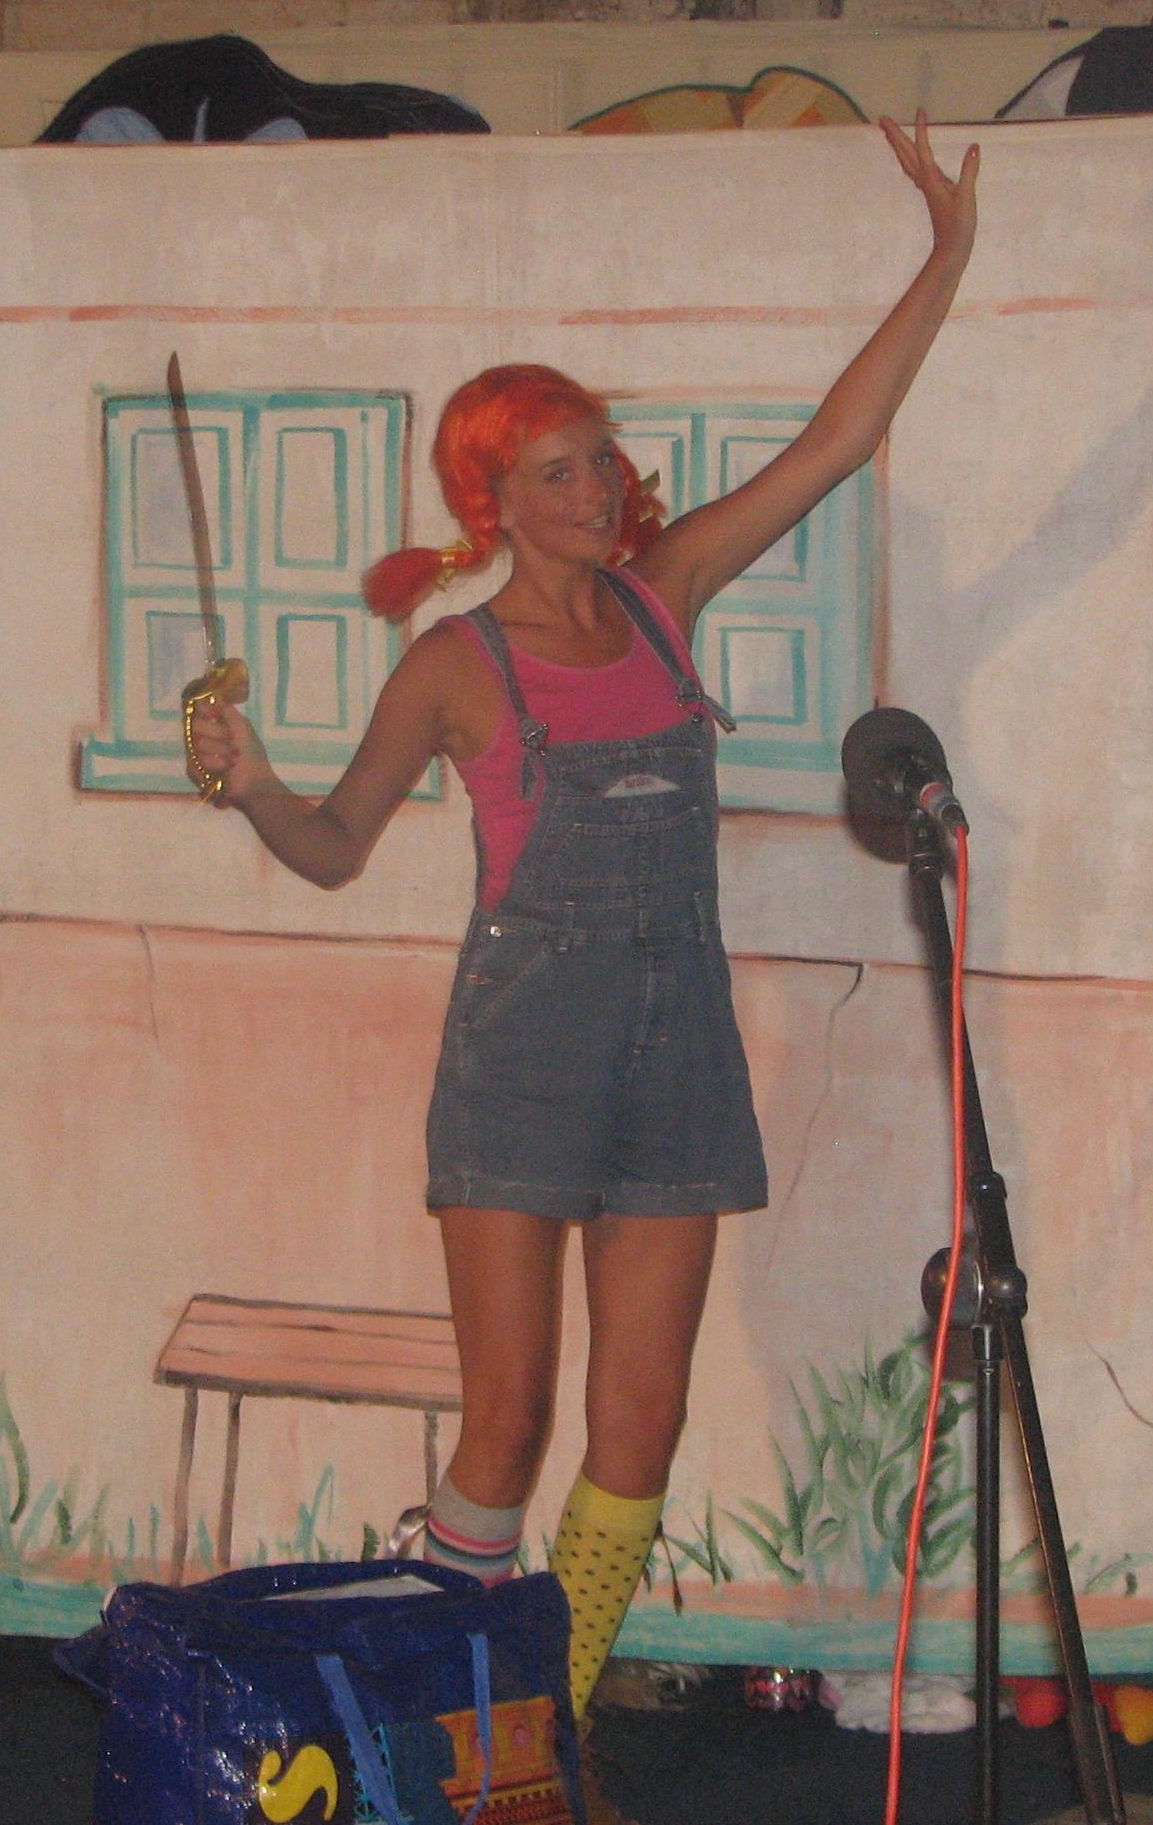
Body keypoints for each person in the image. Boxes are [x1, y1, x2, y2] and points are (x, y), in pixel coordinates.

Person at [188, 116, 980, 1748]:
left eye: (604, 460)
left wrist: (947, 252)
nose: (600, 488)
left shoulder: (664, 595)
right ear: (491, 498)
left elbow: (841, 441)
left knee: (641, 1429)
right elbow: (332, 850)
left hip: (679, 1052)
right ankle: (449, 1729)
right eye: (558, 470)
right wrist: (252, 785)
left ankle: (535, 1733)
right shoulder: (452, 666)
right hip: (522, 1060)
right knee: (509, 1423)